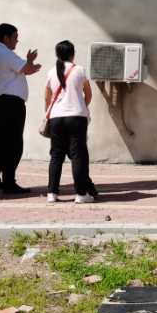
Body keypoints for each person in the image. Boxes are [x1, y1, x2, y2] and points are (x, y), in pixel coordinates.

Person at [0, 23, 41, 194]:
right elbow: (26, 68)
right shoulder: (5, 53)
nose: (17, 41)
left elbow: (24, 69)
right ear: (6, 38)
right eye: (15, 37)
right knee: (13, 143)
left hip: (1, 101)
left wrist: (29, 65)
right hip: (11, 104)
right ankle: (9, 181)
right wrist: (30, 61)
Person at [44, 40, 98, 204]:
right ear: (73, 54)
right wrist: (81, 105)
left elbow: (47, 97)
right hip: (76, 117)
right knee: (78, 155)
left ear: (57, 54)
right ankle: (81, 193)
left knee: (56, 155)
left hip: (56, 117)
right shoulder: (80, 70)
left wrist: (49, 114)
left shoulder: (51, 72)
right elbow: (88, 94)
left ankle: (52, 193)